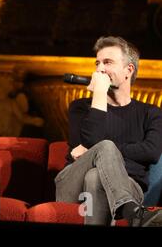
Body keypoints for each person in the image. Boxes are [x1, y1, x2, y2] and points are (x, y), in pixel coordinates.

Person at [55, 36, 162, 226]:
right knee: (104, 147)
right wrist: (99, 96)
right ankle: (133, 212)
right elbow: (92, 142)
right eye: (97, 63)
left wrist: (100, 153)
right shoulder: (80, 108)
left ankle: (127, 205)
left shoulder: (151, 113)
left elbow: (151, 152)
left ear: (129, 70)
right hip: (72, 185)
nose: (99, 69)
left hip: (128, 185)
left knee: (96, 175)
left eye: (108, 62)